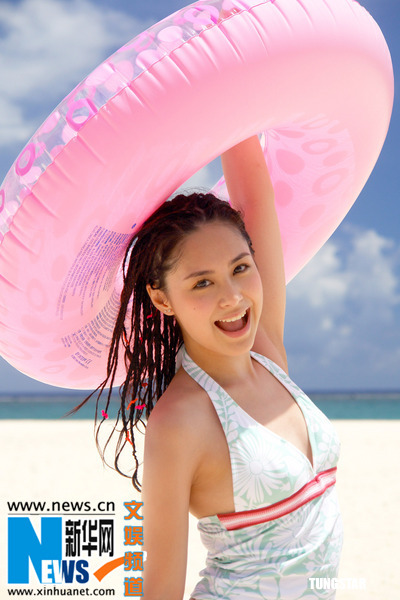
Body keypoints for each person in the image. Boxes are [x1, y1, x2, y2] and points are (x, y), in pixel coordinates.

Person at [92, 136, 343, 598]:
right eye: (202, 282)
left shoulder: (266, 355)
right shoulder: (181, 419)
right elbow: (160, 585)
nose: (232, 297)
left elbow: (253, 198)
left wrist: (230, 99)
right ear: (162, 299)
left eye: (241, 268)